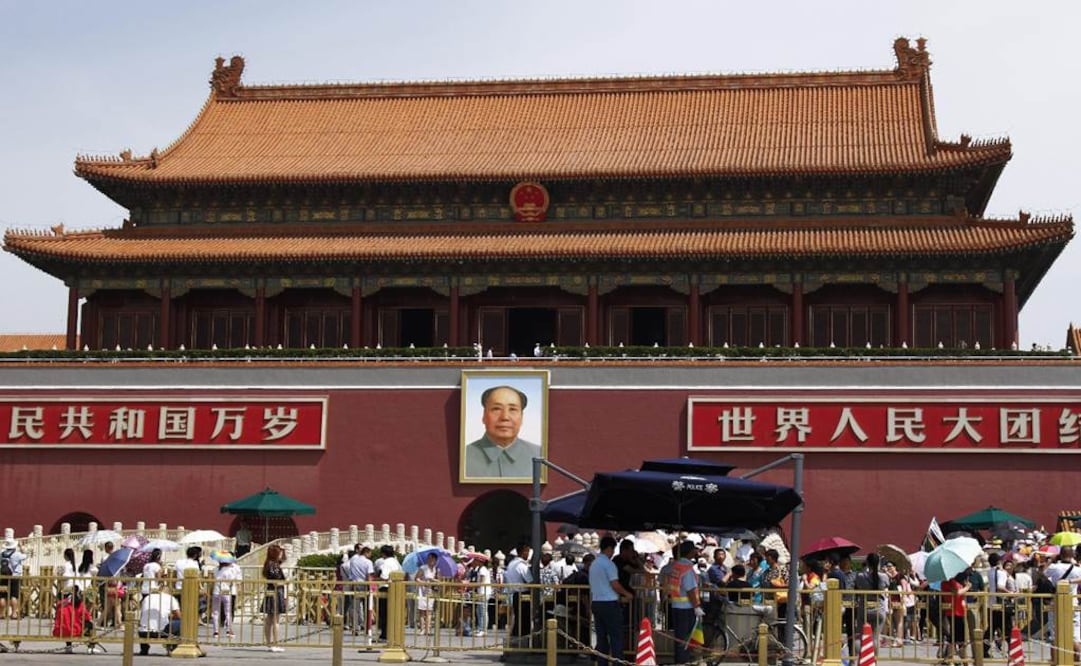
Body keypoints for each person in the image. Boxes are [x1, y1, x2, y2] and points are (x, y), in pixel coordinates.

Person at [464, 385, 541, 479]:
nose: (504, 417)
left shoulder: (540, 455)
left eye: (512, 409)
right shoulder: (463, 457)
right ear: (484, 416)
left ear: (522, 417)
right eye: (496, 409)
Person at [590, 535, 635, 665]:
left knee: (601, 639)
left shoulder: (594, 563)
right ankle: (618, 663)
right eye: (613, 549)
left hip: (597, 603)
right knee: (616, 638)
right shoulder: (609, 564)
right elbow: (615, 584)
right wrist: (628, 594)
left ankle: (602, 663)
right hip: (610, 604)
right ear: (609, 548)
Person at [663, 540, 704, 665]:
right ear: (690, 552)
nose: (696, 552)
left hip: (676, 605)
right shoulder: (687, 568)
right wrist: (697, 607)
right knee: (685, 640)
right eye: (694, 550)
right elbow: (691, 589)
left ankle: (679, 662)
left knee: (679, 638)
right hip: (686, 608)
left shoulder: (677, 566)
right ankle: (682, 663)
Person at [853, 552, 888, 653]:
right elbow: (887, 585)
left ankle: (860, 659)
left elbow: (858, 586)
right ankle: (874, 661)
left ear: (867, 563)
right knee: (875, 638)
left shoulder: (860, 576)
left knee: (860, 636)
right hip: (879, 609)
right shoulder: (884, 576)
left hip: (864, 609)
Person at [138, 582, 181, 656]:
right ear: (170, 592)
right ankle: (173, 647)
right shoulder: (170, 598)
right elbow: (178, 615)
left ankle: (144, 648)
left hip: (143, 632)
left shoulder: (147, 597)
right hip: (162, 632)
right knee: (180, 623)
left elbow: (143, 614)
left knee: (145, 621)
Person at [503, 543, 533, 638]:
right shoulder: (521, 566)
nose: (528, 554)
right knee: (524, 620)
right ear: (523, 552)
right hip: (523, 594)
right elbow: (530, 581)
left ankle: (516, 636)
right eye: (527, 552)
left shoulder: (511, 564)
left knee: (518, 618)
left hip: (515, 594)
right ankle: (524, 639)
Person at [262, 544, 287, 652]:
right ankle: (275, 643)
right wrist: (285, 581)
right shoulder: (273, 565)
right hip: (276, 592)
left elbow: (284, 559)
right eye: (279, 552)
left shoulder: (270, 563)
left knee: (269, 619)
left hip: (271, 592)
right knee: (275, 620)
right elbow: (277, 580)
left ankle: (269, 643)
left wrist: (283, 550)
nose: (281, 554)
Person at [374, 545, 402, 641]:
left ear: (383, 553)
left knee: (384, 612)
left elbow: (384, 576)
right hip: (396, 588)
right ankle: (393, 633)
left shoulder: (385, 562)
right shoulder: (396, 562)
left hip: (385, 588)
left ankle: (385, 634)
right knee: (393, 612)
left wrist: (376, 578)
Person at [212, 553, 242, 639]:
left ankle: (216, 632)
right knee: (228, 611)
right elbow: (235, 580)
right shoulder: (230, 570)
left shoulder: (216, 569)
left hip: (216, 591)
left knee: (215, 612)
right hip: (226, 591)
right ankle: (229, 630)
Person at [345, 544, 374, 634]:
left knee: (355, 608)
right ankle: (367, 628)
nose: (370, 555)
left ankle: (355, 628)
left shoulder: (353, 560)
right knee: (367, 607)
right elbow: (369, 576)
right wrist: (370, 587)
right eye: (370, 553)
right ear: (366, 552)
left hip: (354, 584)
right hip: (365, 585)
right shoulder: (368, 562)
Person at [0, 537, 28, 619]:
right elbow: (26, 556)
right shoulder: (17, 554)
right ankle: (14, 614)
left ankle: (1, 614)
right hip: (15, 576)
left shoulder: (2, 554)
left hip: (3, 576)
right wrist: (22, 547)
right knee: (14, 595)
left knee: (2, 596)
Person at [415, 551, 439, 636]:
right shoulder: (423, 568)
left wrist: (434, 581)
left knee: (429, 611)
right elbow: (417, 578)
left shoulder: (435, 569)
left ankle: (428, 629)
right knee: (422, 611)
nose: (430, 560)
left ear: (435, 560)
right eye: (429, 558)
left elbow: (436, 580)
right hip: (422, 591)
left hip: (430, 591)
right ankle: (422, 628)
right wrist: (424, 583)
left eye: (432, 559)